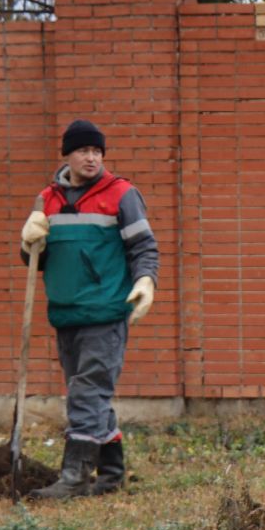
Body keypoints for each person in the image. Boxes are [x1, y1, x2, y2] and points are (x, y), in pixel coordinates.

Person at [20, 119, 161, 499]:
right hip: (65, 312)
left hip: (106, 312)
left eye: (98, 151)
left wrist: (145, 281)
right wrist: (29, 240)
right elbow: (35, 260)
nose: (92, 158)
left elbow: (144, 248)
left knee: (86, 393)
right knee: (90, 394)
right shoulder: (46, 199)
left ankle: (76, 477)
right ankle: (111, 472)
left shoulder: (121, 195)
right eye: (84, 150)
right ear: (67, 153)